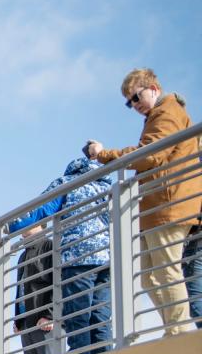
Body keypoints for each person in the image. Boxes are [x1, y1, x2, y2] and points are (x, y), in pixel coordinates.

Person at [86, 68, 202, 336]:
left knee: (165, 269)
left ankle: (180, 330)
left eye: (136, 98)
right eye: (129, 102)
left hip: (168, 205)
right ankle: (176, 326)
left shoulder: (167, 111)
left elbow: (150, 155)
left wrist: (105, 154)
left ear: (153, 89)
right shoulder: (156, 115)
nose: (134, 105)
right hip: (155, 205)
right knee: (148, 274)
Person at [7, 158, 113, 354]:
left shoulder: (67, 183)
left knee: (78, 317)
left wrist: (7, 227)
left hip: (78, 257)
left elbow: (38, 211)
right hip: (104, 258)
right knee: (100, 317)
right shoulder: (103, 185)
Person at [12, 224, 55, 354]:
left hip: (43, 322)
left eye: (30, 218)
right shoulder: (23, 255)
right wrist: (18, 318)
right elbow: (21, 287)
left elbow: (57, 281)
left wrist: (50, 315)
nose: (24, 222)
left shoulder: (50, 246)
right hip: (26, 323)